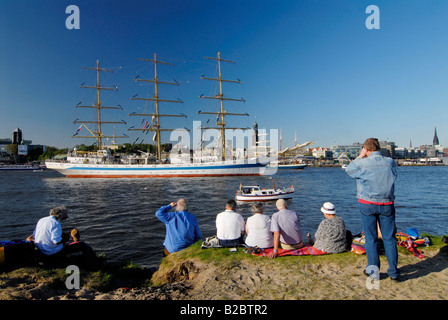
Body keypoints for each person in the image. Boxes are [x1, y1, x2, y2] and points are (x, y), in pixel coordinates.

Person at [345, 137, 399, 281]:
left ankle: (374, 271)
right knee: (389, 238)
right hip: (387, 203)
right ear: (379, 148)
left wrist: (360, 156)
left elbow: (349, 170)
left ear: (366, 149)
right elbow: (394, 176)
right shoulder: (390, 162)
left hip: (367, 203)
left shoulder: (363, 163)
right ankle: (393, 272)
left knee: (371, 238)